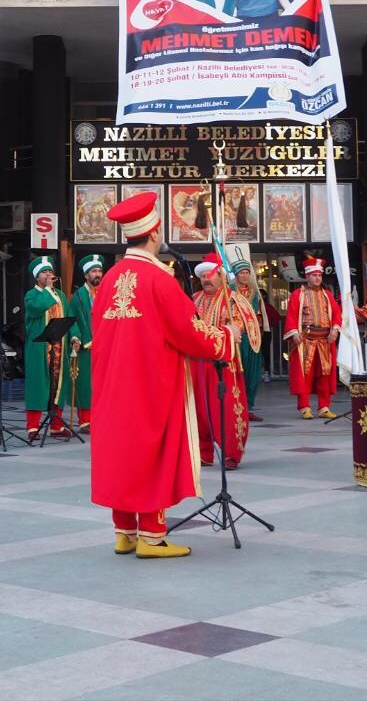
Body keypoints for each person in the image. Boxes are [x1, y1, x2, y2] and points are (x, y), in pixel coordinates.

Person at [91, 191, 239, 559]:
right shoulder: (160, 280)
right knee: (152, 455)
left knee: (124, 453)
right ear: (154, 234)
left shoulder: (108, 280)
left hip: (112, 386)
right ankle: (152, 537)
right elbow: (190, 332)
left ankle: (124, 532)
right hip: (152, 385)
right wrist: (226, 338)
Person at [192, 252, 261, 469]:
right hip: (197, 362)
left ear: (221, 275)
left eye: (209, 275)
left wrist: (226, 330)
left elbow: (241, 327)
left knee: (227, 410)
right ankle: (204, 453)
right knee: (199, 410)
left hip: (224, 364)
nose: (205, 279)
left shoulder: (233, 299)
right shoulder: (195, 299)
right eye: (202, 276)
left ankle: (231, 454)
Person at [23, 255, 74, 441]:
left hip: (59, 347)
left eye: (50, 271)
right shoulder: (32, 295)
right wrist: (47, 290)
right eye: (44, 272)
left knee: (59, 386)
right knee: (38, 385)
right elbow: (36, 308)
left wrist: (74, 335)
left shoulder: (60, 295)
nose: (48, 274)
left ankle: (56, 425)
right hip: (39, 348)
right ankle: (33, 426)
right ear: (37, 277)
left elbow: (69, 316)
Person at [284, 256, 340, 419]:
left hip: (324, 340)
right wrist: (294, 333)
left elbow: (337, 314)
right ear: (307, 276)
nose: (317, 278)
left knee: (325, 373)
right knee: (305, 374)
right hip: (305, 340)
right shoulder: (297, 294)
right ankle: (304, 406)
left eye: (319, 275)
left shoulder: (327, 295)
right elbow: (292, 316)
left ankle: (324, 406)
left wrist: (335, 330)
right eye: (314, 275)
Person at [69, 254, 104, 433]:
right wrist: (75, 337)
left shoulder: (106, 293)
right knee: (85, 384)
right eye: (93, 271)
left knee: (102, 384)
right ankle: (85, 421)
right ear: (86, 275)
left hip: (104, 346)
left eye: (99, 271)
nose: (97, 274)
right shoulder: (78, 296)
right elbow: (72, 319)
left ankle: (100, 419)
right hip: (87, 346)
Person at [232, 258, 269, 421]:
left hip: (252, 337)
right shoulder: (229, 292)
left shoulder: (255, 293)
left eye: (247, 272)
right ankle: (234, 407)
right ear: (236, 275)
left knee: (252, 374)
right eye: (242, 272)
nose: (245, 275)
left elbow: (258, 314)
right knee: (236, 374)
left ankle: (249, 407)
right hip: (237, 338)